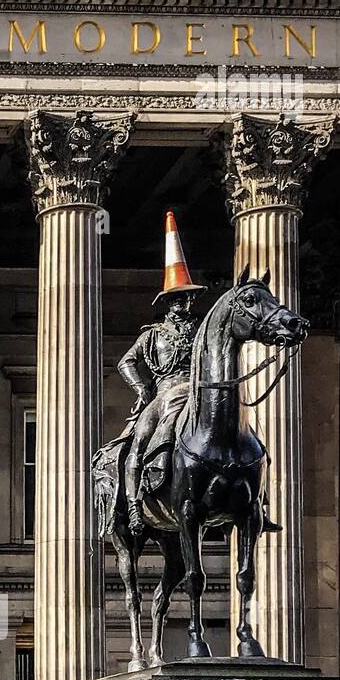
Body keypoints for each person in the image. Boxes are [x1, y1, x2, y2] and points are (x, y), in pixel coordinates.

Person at [119, 212, 204, 532]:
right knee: (140, 440)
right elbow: (126, 362)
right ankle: (134, 503)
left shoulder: (201, 331)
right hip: (164, 393)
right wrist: (142, 389)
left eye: (188, 297)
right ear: (166, 302)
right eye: (177, 298)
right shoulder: (152, 335)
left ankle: (254, 497)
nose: (183, 302)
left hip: (197, 391)